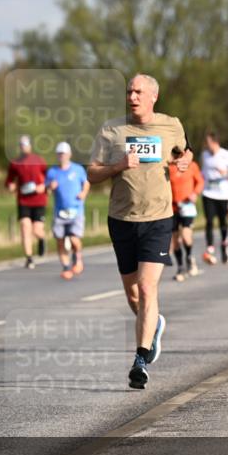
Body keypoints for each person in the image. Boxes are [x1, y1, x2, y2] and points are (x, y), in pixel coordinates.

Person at [87, 73, 192, 389]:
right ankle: (154, 324)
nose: (132, 96)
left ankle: (140, 360)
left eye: (138, 92)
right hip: (121, 219)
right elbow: (92, 174)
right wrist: (118, 166)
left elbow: (182, 151)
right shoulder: (112, 130)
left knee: (147, 289)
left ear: (153, 97)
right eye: (129, 91)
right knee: (134, 296)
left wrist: (184, 160)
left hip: (159, 219)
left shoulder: (170, 124)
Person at [46, 141, 89, 279]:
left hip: (76, 210)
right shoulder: (52, 171)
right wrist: (50, 187)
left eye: (63, 154)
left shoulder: (77, 169)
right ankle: (65, 266)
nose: (61, 156)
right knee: (59, 239)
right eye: (59, 154)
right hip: (60, 211)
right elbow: (46, 190)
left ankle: (77, 257)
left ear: (69, 154)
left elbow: (86, 183)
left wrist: (83, 193)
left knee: (74, 238)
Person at [199, 131, 228, 265]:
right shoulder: (204, 155)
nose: (207, 145)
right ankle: (210, 248)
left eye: (208, 143)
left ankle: (224, 246)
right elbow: (203, 171)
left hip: (223, 193)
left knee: (223, 221)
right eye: (206, 143)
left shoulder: (227, 155)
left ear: (215, 142)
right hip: (208, 192)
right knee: (209, 221)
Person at [6, 135, 48, 269]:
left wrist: (43, 187)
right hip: (23, 200)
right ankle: (29, 258)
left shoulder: (39, 161)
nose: (24, 147)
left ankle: (41, 239)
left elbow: (49, 177)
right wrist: (10, 186)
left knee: (36, 230)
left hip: (39, 200)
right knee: (25, 227)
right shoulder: (15, 163)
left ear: (30, 146)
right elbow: (9, 180)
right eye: (22, 145)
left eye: (26, 145)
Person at [168, 153, 203, 281]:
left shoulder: (192, 166)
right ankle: (180, 267)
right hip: (172, 208)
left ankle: (189, 258)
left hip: (187, 206)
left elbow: (200, 181)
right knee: (175, 240)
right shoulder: (168, 168)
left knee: (186, 237)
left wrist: (195, 193)